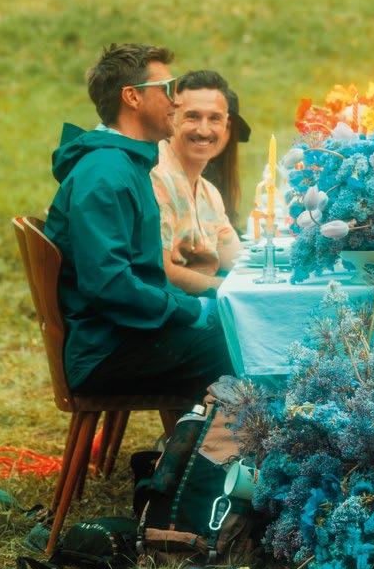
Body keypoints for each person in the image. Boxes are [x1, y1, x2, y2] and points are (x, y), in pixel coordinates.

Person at [44, 43, 232, 396]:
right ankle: (207, 432)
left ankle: (203, 428)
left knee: (240, 332)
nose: (176, 101)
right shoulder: (105, 174)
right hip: (106, 350)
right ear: (132, 97)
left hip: (130, 334)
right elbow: (109, 284)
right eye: (167, 89)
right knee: (240, 347)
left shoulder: (126, 164)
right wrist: (192, 310)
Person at [151, 71, 250, 296]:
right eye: (192, 117)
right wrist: (227, 288)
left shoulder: (209, 193)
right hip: (170, 309)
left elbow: (238, 261)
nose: (204, 130)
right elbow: (162, 271)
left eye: (215, 118)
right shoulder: (157, 175)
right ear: (172, 118)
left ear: (226, 125)